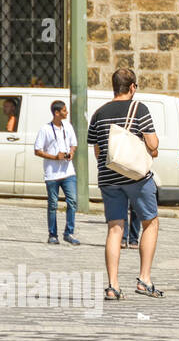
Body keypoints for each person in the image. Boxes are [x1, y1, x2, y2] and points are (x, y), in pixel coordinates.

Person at [87, 68, 163, 300]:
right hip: (136, 177)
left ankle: (113, 285)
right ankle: (144, 279)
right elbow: (152, 142)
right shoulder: (139, 109)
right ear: (132, 87)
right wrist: (153, 148)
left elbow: (98, 151)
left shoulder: (99, 113)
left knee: (115, 228)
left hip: (108, 178)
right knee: (150, 222)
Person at [34, 100, 79, 245]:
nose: (67, 112)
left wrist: (71, 153)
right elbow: (37, 150)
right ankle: (52, 234)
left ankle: (69, 233)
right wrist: (54, 157)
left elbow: (74, 144)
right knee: (53, 204)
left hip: (68, 171)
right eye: (64, 110)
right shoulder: (45, 129)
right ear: (57, 113)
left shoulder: (68, 126)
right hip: (52, 173)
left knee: (72, 201)